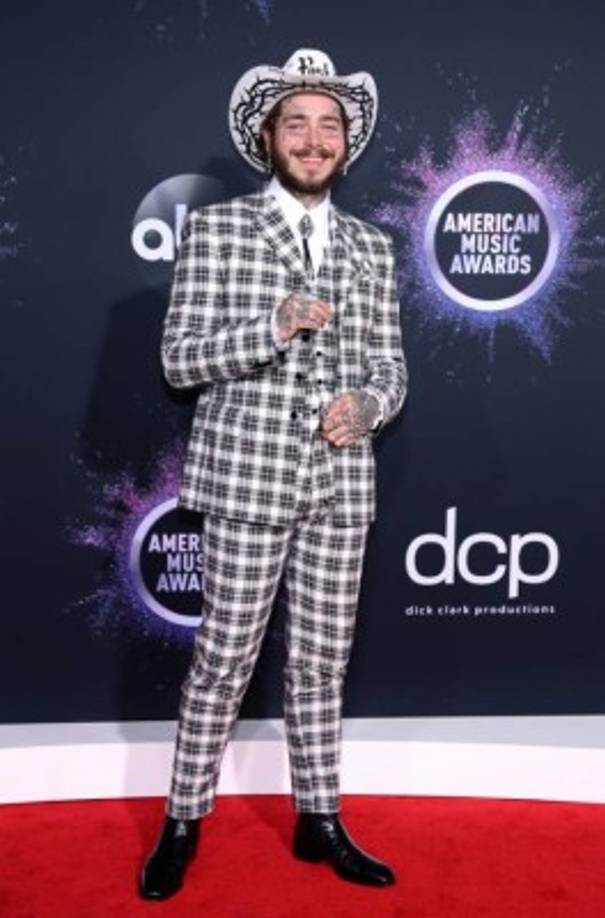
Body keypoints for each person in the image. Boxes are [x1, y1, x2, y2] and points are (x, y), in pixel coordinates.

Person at [139, 47, 407, 900]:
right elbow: (179, 362)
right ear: (269, 136)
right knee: (222, 661)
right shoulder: (216, 230)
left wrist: (367, 407)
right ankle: (183, 821)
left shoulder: (373, 246)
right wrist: (273, 324)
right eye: (297, 122)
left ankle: (317, 818)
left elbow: (391, 370)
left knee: (322, 665)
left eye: (329, 126)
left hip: (340, 487)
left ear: (346, 145)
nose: (315, 138)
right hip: (246, 486)